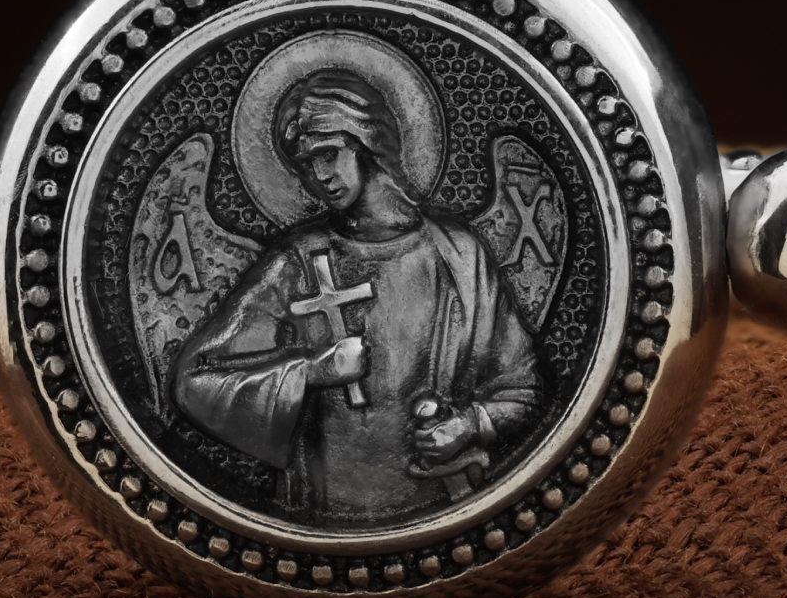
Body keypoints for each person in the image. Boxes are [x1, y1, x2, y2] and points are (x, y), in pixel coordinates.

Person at [172, 68, 539, 525]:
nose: (319, 176)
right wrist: (309, 372)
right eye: (304, 165)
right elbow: (196, 380)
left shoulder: (461, 258)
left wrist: (469, 425)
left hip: (447, 503)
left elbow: (522, 389)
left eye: (328, 154)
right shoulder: (296, 262)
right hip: (321, 511)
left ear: (369, 142)